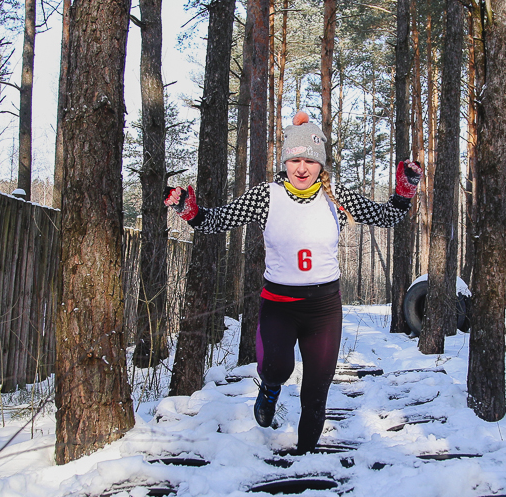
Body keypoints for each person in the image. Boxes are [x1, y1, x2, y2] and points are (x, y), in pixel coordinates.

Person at [165, 111, 422, 454]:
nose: (302, 168)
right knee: (277, 368)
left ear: (321, 165)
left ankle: (305, 457)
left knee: (317, 391)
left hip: (324, 308)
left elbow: (386, 215)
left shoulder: (337, 197)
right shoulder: (266, 196)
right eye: (295, 159)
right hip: (279, 305)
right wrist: (191, 211)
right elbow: (217, 220)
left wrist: (405, 189)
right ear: (285, 161)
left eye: (309, 161)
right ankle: (269, 389)